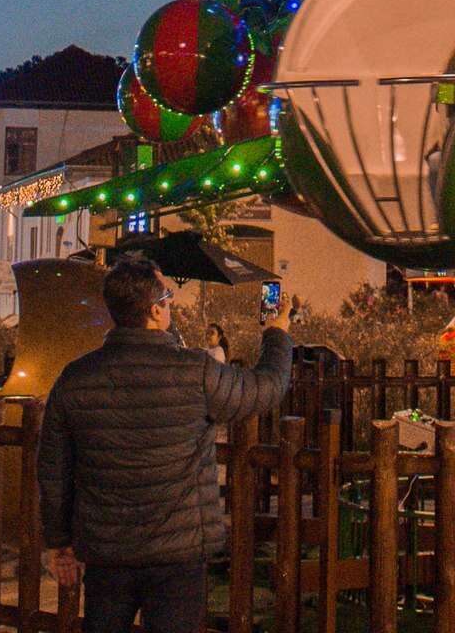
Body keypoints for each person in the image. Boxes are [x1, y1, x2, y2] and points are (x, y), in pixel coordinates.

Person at [37, 254, 292, 633]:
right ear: (156, 311)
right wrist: (277, 334)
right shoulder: (196, 371)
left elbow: (55, 468)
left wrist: (58, 539)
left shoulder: (76, 377)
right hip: (178, 552)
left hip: (107, 551)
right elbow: (265, 388)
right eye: (168, 297)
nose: (171, 304)